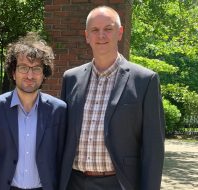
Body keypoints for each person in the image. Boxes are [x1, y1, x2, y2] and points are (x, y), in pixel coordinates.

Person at [59, 6, 165, 190]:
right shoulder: (71, 78)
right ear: (87, 36)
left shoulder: (145, 80)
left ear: (120, 32)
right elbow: (61, 135)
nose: (101, 35)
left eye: (108, 29)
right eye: (95, 30)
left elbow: (153, 148)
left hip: (119, 183)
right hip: (73, 182)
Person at [0, 32, 67, 190]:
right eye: (23, 68)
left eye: (36, 69)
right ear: (13, 73)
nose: (29, 75)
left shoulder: (58, 110)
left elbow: (62, 158)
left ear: (43, 74)